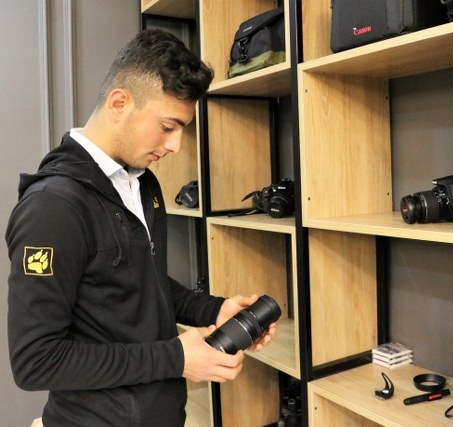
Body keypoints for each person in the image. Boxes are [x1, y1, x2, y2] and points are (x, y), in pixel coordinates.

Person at [5, 29, 277, 427]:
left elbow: (141, 281)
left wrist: (214, 309)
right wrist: (176, 358)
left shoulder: (142, 182)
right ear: (120, 103)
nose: (176, 145)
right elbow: (36, 361)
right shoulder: (53, 207)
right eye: (168, 126)